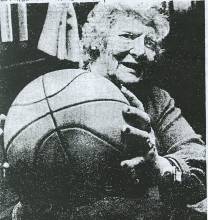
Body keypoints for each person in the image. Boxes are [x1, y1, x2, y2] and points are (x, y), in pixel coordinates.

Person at [1, 1, 206, 219]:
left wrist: (158, 164)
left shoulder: (156, 99)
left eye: (149, 42)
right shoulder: (52, 94)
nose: (140, 51)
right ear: (97, 43)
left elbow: (199, 163)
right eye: (127, 36)